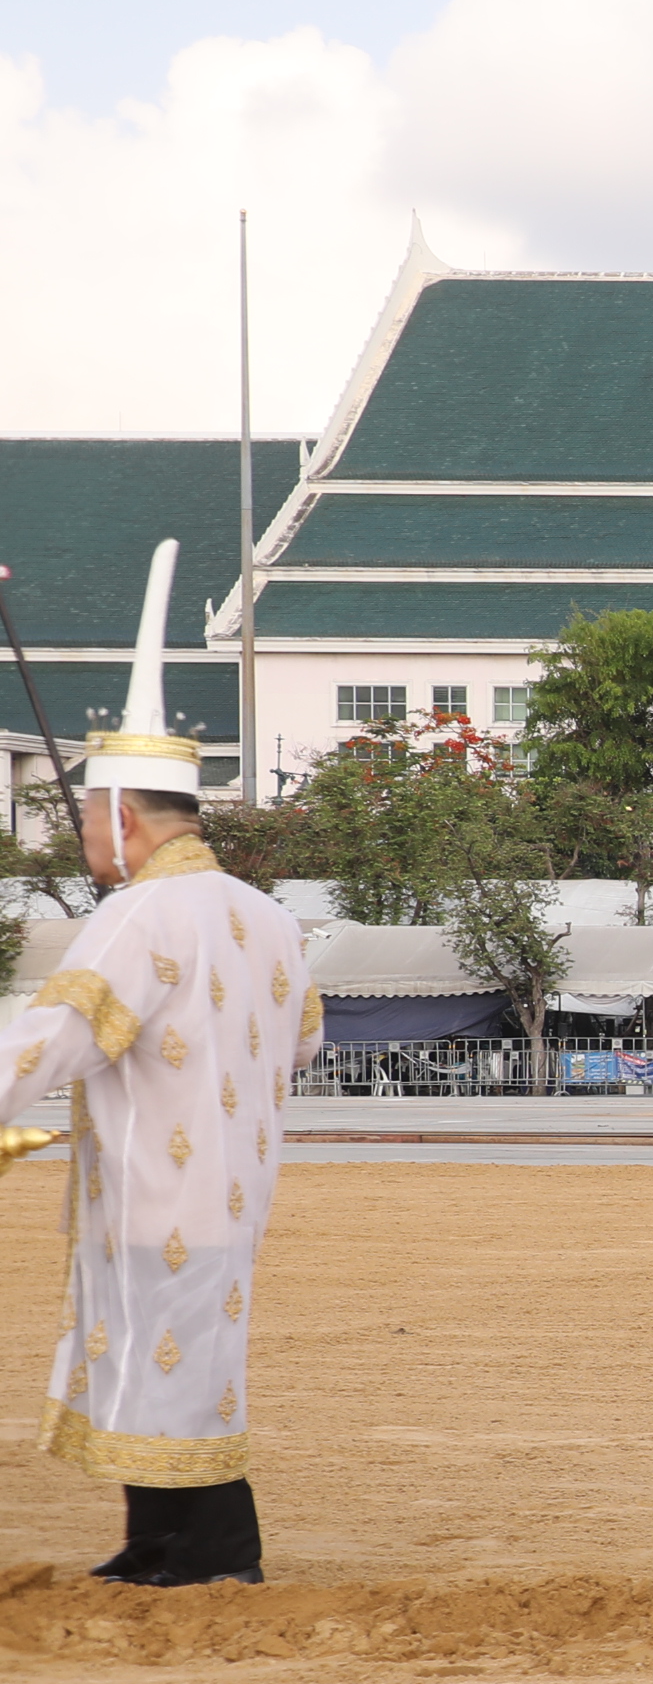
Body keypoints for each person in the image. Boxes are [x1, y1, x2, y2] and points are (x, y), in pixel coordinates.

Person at [7, 549, 315, 1588]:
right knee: (174, 1353)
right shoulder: (268, 917)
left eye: (87, 820)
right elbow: (303, 1041)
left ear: (123, 820)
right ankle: (162, 1540)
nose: (85, 839)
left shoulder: (139, 914)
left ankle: (213, 1548)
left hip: (152, 1184)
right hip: (231, 1184)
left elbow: (57, 1036)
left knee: (156, 1349)